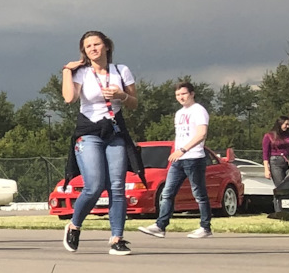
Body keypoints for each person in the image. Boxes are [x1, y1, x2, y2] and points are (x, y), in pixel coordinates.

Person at [60, 30, 139, 256]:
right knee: (94, 186)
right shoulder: (82, 73)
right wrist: (67, 70)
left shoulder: (120, 70)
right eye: (88, 46)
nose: (93, 48)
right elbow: (69, 98)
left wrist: (120, 95)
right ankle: (74, 225)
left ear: (106, 46)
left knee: (116, 186)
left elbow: (134, 103)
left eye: (97, 44)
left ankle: (117, 238)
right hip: (89, 132)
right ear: (84, 52)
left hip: (114, 131)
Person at [139, 81, 212, 239]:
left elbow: (201, 134)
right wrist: (177, 152)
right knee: (167, 192)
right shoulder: (179, 113)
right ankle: (160, 226)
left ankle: (205, 227)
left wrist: (183, 149)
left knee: (199, 193)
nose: (181, 97)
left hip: (194, 158)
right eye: (178, 95)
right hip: (178, 160)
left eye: (184, 94)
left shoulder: (199, 110)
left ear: (192, 94)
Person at [262, 115, 289, 188]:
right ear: (280, 124)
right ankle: (279, 199)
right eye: (286, 124)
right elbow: (265, 153)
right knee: (280, 185)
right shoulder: (269, 136)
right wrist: (266, 169)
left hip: (288, 161)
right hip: (275, 162)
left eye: (288, 124)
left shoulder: (288, 135)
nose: (288, 126)